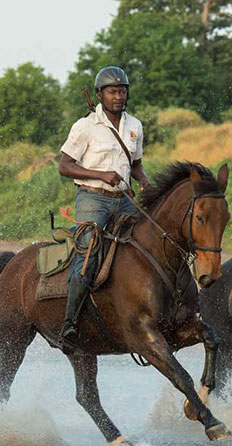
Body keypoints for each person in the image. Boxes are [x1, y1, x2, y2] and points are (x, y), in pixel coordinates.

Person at [57, 66, 152, 343]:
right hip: (93, 198)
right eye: (112, 91)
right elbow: (65, 166)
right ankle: (70, 322)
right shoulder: (85, 126)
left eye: (122, 91)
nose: (118, 96)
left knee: (151, 242)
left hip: (124, 198)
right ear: (100, 94)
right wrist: (101, 175)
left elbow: (136, 165)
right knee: (87, 255)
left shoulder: (135, 126)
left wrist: (144, 181)